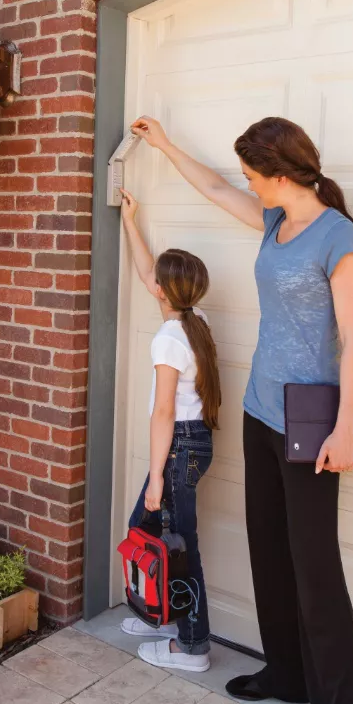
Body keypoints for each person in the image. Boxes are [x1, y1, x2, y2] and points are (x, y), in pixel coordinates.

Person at [131, 116, 353, 704]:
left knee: (316, 570)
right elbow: (213, 188)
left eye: (253, 177)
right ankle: (286, 673)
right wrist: (163, 145)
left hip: (312, 424)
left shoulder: (339, 239)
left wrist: (345, 430)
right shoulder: (276, 221)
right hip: (261, 409)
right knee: (267, 548)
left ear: (282, 174)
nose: (248, 186)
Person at [119, 187, 221, 673]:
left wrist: (157, 476)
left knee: (182, 546)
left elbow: (162, 412)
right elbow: (147, 272)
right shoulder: (194, 319)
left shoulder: (168, 338)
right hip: (193, 443)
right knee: (145, 531)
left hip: (178, 447)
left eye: (155, 281)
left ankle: (193, 645)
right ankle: (162, 614)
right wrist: (130, 220)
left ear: (163, 291)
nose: (150, 281)